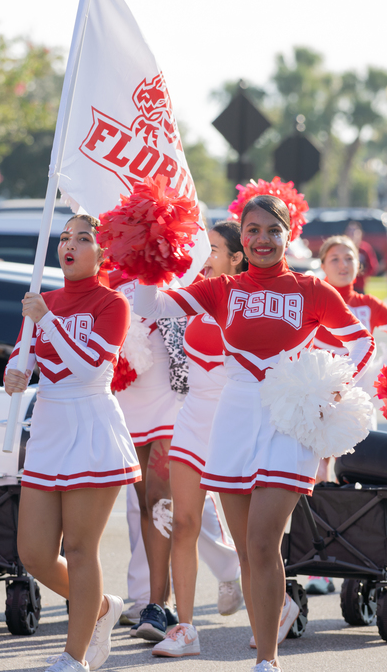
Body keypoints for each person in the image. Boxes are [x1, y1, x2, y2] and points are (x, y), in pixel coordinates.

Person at [133, 194, 375, 672]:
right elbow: (153, 306)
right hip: (235, 417)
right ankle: (266, 645)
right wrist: (146, 259)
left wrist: (334, 390)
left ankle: (268, 659)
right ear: (241, 238)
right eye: (253, 230)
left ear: (289, 235)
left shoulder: (311, 289)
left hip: (289, 419)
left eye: (273, 230)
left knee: (264, 541)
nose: (262, 239)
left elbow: (361, 342)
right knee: (247, 550)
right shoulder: (222, 288)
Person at [3, 214, 139, 672]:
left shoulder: (113, 303)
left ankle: (73, 655)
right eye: (65, 237)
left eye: (84, 239)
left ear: (103, 253)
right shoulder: (43, 299)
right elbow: (25, 358)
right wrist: (16, 374)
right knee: (35, 554)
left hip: (91, 423)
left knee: (81, 549)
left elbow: (87, 369)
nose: (70, 245)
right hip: (47, 426)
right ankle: (100, 606)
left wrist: (49, 320)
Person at [152, 221, 246, 658]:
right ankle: (185, 629)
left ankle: (277, 603)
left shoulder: (247, 300)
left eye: (212, 248)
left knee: (247, 536)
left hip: (233, 419)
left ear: (236, 256)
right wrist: (147, 261)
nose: (204, 256)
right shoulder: (196, 292)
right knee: (184, 522)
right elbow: (150, 306)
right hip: (193, 417)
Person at [108, 268, 185, 639]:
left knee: (159, 498)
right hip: (129, 404)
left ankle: (156, 604)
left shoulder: (172, 280)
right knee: (142, 502)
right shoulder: (106, 283)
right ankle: (159, 599)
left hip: (169, 402)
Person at [312, 235, 387, 503]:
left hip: (356, 399)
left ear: (359, 264)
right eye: (335, 259)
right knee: (315, 473)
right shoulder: (313, 298)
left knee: (354, 470)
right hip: (317, 399)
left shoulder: (369, 305)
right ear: (323, 265)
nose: (343, 265)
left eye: (349, 258)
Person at [345, 220, 377, 294]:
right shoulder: (343, 248)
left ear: (360, 233)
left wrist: (363, 273)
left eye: (354, 231)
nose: (352, 234)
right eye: (350, 231)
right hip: (345, 285)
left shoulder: (365, 248)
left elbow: (373, 266)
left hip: (359, 285)